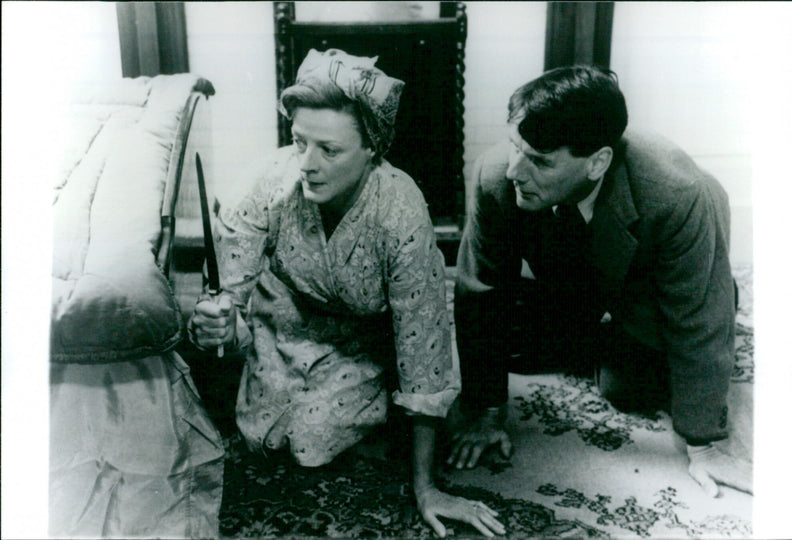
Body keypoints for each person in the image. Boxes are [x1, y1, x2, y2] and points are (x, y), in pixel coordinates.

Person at [190, 49, 506, 538]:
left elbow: (424, 356)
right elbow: (229, 310)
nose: (307, 165)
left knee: (312, 440)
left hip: (363, 344)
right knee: (262, 437)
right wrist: (214, 324)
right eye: (299, 143)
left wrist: (426, 489)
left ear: (371, 150)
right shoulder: (265, 184)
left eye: (329, 150)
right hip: (282, 325)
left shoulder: (401, 212)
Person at [447, 65, 752, 498]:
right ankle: (596, 339)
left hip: (657, 293)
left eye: (539, 160)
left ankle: (611, 346)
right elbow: (480, 290)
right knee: (501, 338)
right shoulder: (496, 173)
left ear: (598, 161)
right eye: (516, 146)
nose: (516, 170)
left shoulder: (680, 195)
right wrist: (485, 408)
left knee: (626, 388)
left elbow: (700, 319)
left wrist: (704, 444)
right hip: (575, 284)